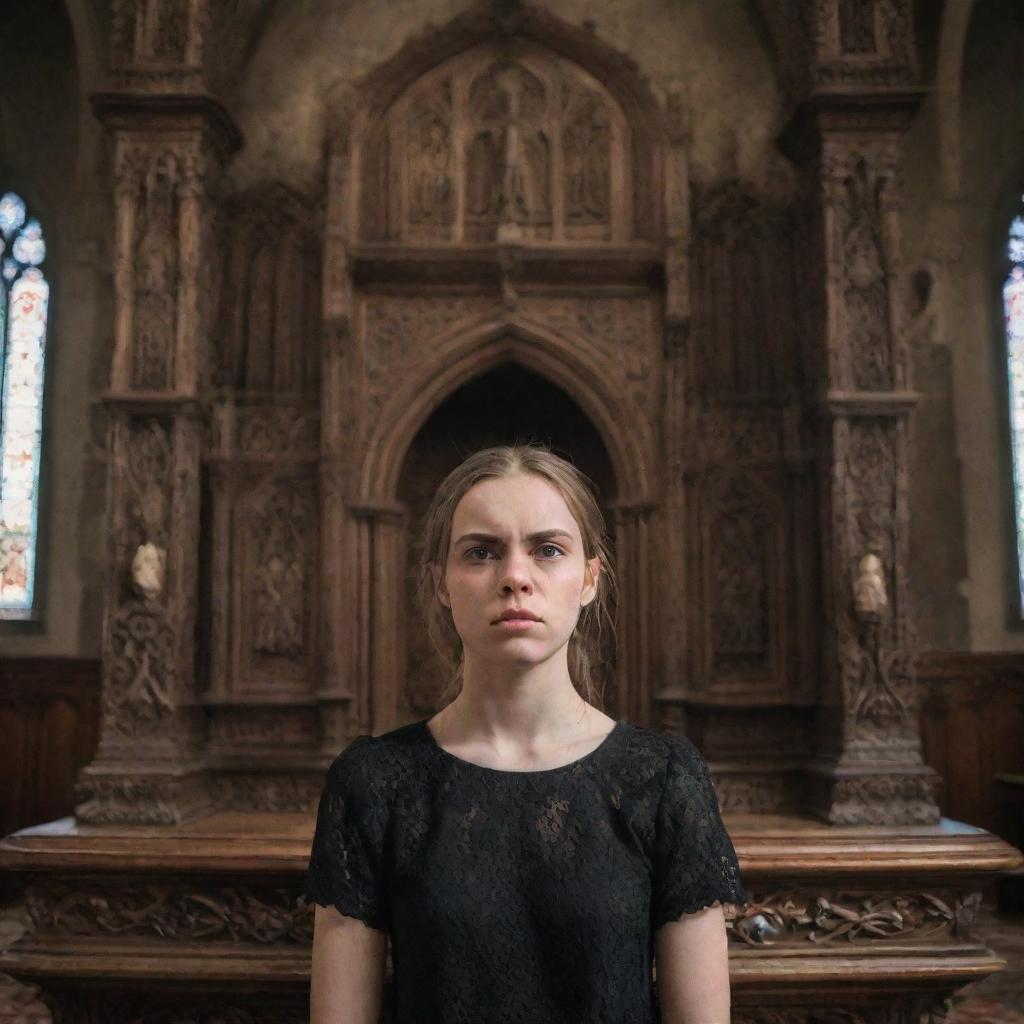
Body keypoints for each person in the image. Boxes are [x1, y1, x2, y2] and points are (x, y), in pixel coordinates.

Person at [303, 443, 747, 1023]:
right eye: (482, 552)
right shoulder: (373, 782)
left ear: (589, 578)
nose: (516, 577)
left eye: (548, 550)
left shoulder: (664, 779)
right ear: (440, 581)